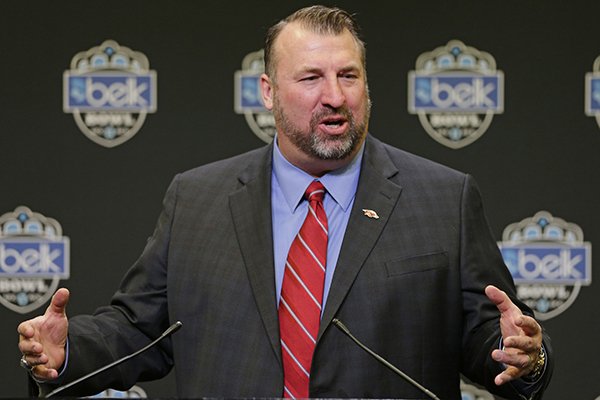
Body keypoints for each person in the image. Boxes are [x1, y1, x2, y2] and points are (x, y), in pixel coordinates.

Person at [18, 5, 553, 400]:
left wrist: (523, 355)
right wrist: (66, 355)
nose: (335, 96)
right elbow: (140, 331)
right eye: (311, 78)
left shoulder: (443, 197)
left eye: (348, 76)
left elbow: (490, 338)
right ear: (269, 92)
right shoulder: (197, 198)